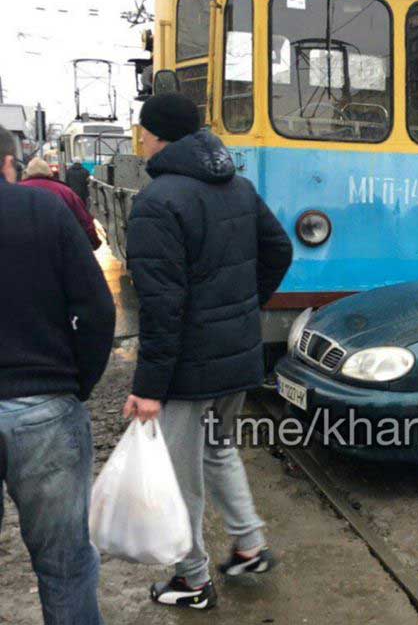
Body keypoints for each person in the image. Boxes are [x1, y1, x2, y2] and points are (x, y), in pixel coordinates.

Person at [121, 94, 292, 610]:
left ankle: (192, 579)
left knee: (180, 473)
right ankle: (249, 544)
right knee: (218, 451)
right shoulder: (238, 186)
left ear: (158, 136)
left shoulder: (158, 202)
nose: (142, 140)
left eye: (144, 131)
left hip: (189, 373)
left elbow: (161, 305)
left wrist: (148, 389)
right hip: (236, 359)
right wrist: (242, 308)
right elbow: (279, 249)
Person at [0, 125, 116, 625]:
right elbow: (96, 309)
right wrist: (77, 385)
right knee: (65, 566)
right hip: (44, 407)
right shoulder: (43, 210)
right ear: (9, 161)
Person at [20, 157, 101, 249]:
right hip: (58, 249)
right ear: (49, 172)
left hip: (23, 249)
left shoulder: (15, 191)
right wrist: (94, 242)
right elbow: (84, 220)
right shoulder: (65, 192)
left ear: (26, 173)